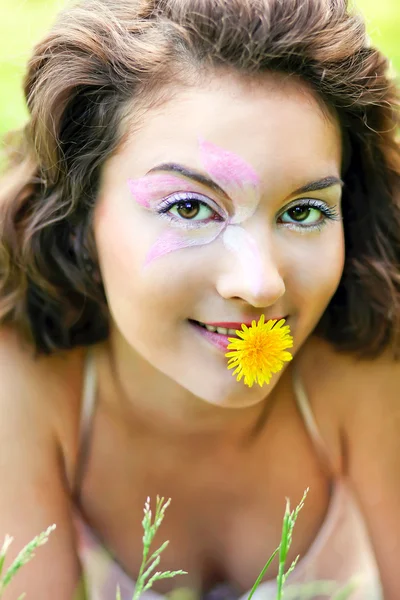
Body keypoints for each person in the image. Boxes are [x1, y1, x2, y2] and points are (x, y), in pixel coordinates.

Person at [0, 0, 399, 598]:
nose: (261, 284)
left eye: (305, 210)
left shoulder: (373, 364)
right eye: (188, 207)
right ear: (78, 216)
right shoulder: (20, 381)